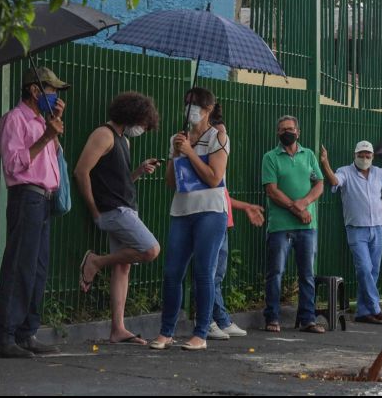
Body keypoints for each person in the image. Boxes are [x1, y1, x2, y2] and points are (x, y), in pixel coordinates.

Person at [0, 67, 68, 358]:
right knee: (20, 266)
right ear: (35, 90)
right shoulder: (15, 120)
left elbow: (52, 161)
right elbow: (14, 163)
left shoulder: (42, 121)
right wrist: (47, 136)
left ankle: (26, 332)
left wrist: (54, 127)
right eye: (51, 90)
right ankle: (4, 335)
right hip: (27, 197)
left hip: (43, 200)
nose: (54, 96)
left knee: (37, 269)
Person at [74, 92, 162, 345]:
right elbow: (81, 172)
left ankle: (118, 328)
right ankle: (95, 261)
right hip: (114, 211)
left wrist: (138, 171)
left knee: (122, 268)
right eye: (143, 123)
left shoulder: (124, 140)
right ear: (131, 115)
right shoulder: (104, 134)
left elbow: (117, 181)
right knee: (151, 249)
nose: (143, 129)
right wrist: (94, 211)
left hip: (124, 207)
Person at [150, 88, 230, 351]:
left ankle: (201, 333)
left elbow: (214, 177)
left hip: (210, 211)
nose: (190, 109)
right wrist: (176, 154)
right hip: (182, 211)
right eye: (187, 104)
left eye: (195, 105)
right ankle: (166, 332)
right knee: (172, 272)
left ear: (207, 110)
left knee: (203, 272)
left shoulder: (218, 137)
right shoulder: (178, 138)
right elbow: (171, 182)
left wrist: (191, 152)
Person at [320, 141, 382, 325]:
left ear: (372, 157)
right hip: (356, 229)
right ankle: (376, 308)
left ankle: (363, 312)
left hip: (377, 227)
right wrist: (325, 163)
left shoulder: (379, 173)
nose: (364, 159)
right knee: (364, 269)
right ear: (355, 155)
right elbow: (334, 181)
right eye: (361, 155)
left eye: (368, 156)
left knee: (373, 271)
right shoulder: (346, 171)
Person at [261, 116, 325, 334]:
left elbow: (319, 184)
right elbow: (271, 190)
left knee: (307, 274)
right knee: (275, 273)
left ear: (298, 131)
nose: (286, 132)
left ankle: (308, 319)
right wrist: (296, 209)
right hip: (280, 226)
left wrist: (305, 203)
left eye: (289, 129)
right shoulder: (270, 157)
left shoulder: (309, 155)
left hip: (308, 226)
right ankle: (272, 318)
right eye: (281, 130)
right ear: (277, 133)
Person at [206, 122, 264, 340]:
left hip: (224, 221)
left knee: (217, 275)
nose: (223, 134)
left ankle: (221, 319)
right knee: (209, 274)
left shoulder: (220, 158)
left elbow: (224, 196)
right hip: (213, 221)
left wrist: (246, 207)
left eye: (224, 131)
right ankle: (208, 320)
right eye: (219, 130)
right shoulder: (209, 153)